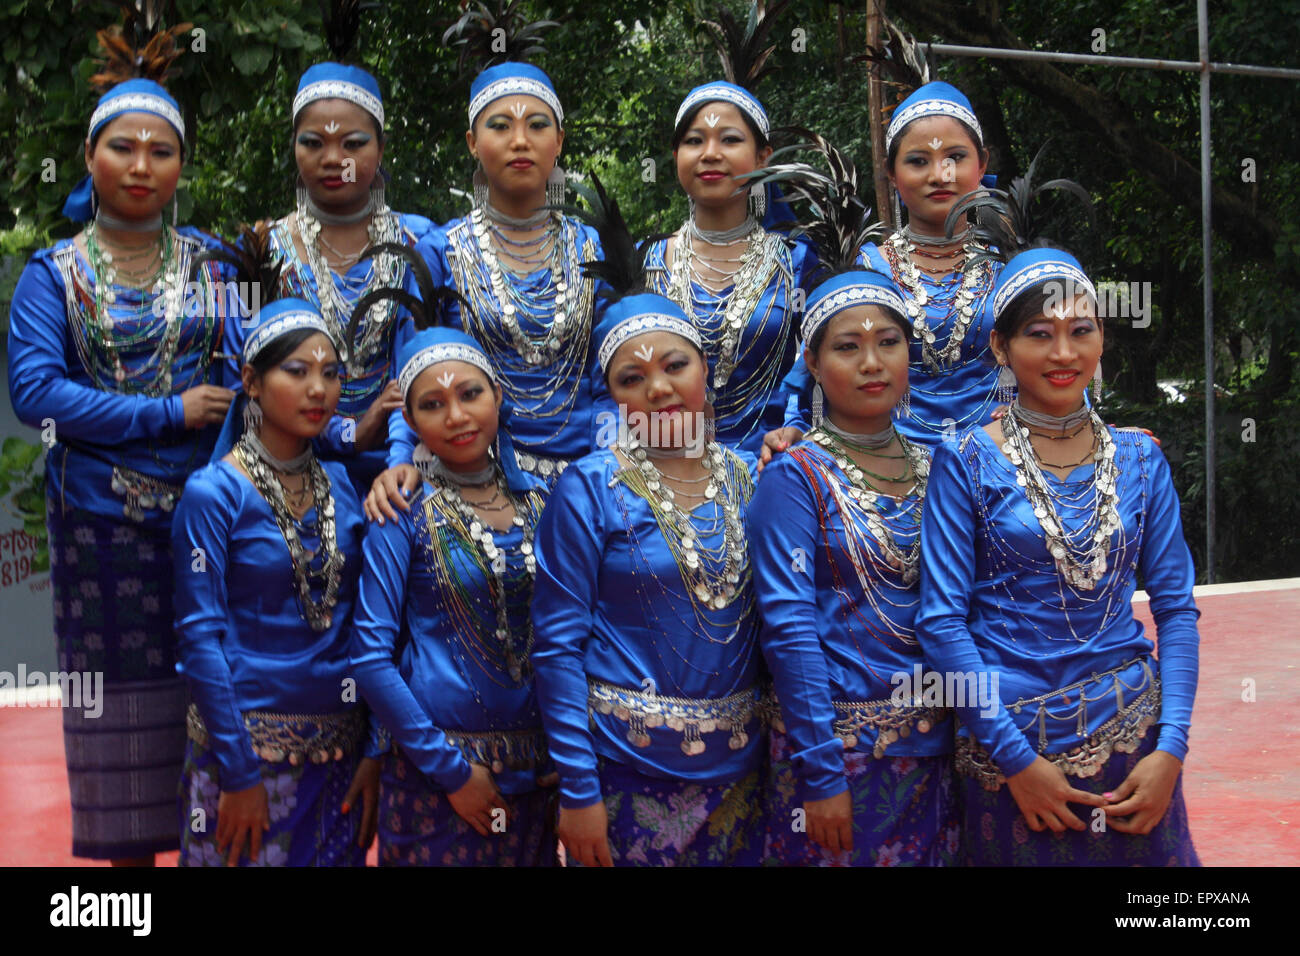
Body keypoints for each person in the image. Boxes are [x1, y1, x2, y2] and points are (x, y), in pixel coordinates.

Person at [6, 17, 237, 865]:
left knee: (218, 705)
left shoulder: (219, 268)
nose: (142, 167)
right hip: (98, 525)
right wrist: (167, 413)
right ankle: (127, 888)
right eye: (123, 148)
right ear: (92, 159)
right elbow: (37, 396)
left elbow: (254, 379)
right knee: (114, 715)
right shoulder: (51, 274)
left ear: (180, 167)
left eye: (161, 151)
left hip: (209, 525)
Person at [916, 234, 1201, 866]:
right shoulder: (965, 461)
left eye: (1082, 330)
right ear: (1000, 345)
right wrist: (1017, 761)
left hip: (1135, 745)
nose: (1064, 352)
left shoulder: (1140, 457)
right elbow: (940, 623)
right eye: (1040, 334)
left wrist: (1171, 751)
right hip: (1012, 751)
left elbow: (1177, 611)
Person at [530, 182, 764, 866]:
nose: (658, 389)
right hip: (621, 771)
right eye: (631, 379)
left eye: (674, 366)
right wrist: (578, 790)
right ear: (612, 397)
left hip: (738, 773)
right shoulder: (588, 489)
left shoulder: (755, 480)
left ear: (705, 370)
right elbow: (556, 647)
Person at [747, 138, 958, 866]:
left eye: (889, 341)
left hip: (938, 756)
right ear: (811, 362)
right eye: (847, 346)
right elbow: (788, 628)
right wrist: (820, 768)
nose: (872, 361)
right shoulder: (792, 476)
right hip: (836, 757)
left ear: (911, 354)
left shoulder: (945, 469)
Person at [172, 296, 383, 866]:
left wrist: (373, 751)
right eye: (297, 371)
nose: (319, 389)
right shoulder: (213, 495)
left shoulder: (344, 486)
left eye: (332, 373)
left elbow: (371, 627)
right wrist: (238, 776)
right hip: (244, 758)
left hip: (339, 758)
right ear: (251, 381)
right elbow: (200, 640)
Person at [349, 320, 558, 867]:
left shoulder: (546, 501)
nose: (458, 416)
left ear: (498, 394)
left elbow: (574, 634)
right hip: (437, 780)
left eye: (470, 394)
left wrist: (571, 745)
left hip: (539, 775)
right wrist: (452, 773)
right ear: (412, 421)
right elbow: (370, 658)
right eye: (433, 404)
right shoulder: (399, 510)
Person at [766, 80, 1002, 461]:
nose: (939, 175)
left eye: (955, 157)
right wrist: (795, 425)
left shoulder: (1009, 267)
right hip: (888, 471)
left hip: (999, 469)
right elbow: (816, 369)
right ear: (891, 173)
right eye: (918, 161)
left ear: (983, 163)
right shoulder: (866, 269)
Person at [266, 43, 438, 497]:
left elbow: (423, 361)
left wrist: (399, 457)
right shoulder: (263, 252)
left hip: (407, 463)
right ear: (294, 147)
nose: (332, 158)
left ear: (380, 148)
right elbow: (251, 382)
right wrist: (350, 433)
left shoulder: (420, 244)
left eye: (353, 143)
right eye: (313, 142)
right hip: (290, 467)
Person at [644, 1, 814, 455]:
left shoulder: (797, 260)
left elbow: (815, 365)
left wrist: (794, 429)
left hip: (772, 465)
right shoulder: (647, 262)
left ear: (763, 157)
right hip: (663, 474)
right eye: (694, 140)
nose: (710, 153)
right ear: (676, 156)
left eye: (730, 139)